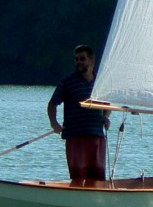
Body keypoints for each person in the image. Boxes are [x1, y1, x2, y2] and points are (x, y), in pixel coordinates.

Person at [47, 45, 110, 184]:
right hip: (76, 137)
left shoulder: (101, 82)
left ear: (92, 61)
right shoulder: (67, 81)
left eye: (82, 59)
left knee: (95, 179)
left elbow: (108, 104)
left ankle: (90, 205)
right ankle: (74, 203)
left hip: (96, 136)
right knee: (78, 177)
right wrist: (54, 123)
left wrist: (105, 117)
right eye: (76, 59)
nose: (78, 62)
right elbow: (52, 104)